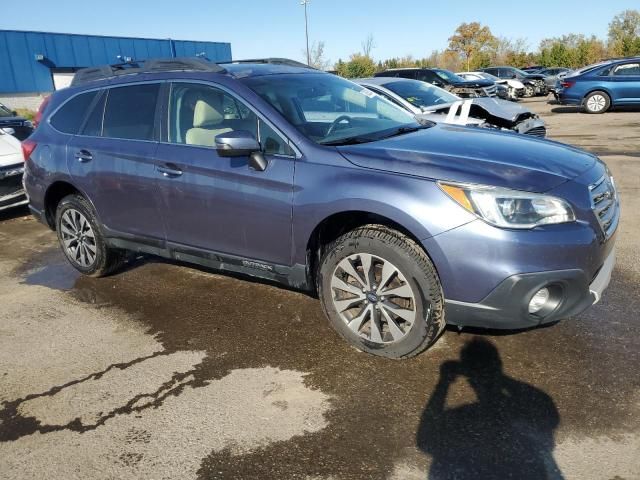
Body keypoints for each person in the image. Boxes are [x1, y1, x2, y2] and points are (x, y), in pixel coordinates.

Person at [417, 338, 564, 479]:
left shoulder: (463, 418)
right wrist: (499, 377)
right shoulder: (523, 410)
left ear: (469, 378)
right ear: (499, 365)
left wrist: (444, 383)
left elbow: (425, 439)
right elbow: (549, 413)